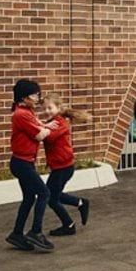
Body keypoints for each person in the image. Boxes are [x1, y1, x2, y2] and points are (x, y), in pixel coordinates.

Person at [7, 79, 58, 252]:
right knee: (44, 193)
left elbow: (38, 126)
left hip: (25, 161)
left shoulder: (27, 112)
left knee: (29, 198)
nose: (38, 98)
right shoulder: (21, 114)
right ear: (24, 97)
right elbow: (39, 135)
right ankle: (36, 231)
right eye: (34, 95)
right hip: (22, 163)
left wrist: (45, 125)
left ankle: (16, 233)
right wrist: (52, 129)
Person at [39, 95, 92, 235]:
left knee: (51, 199)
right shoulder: (52, 122)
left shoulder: (60, 122)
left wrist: (40, 126)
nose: (47, 111)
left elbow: (48, 136)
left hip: (63, 167)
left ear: (59, 108)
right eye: (44, 108)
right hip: (59, 166)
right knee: (52, 194)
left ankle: (68, 225)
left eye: (50, 108)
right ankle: (80, 203)